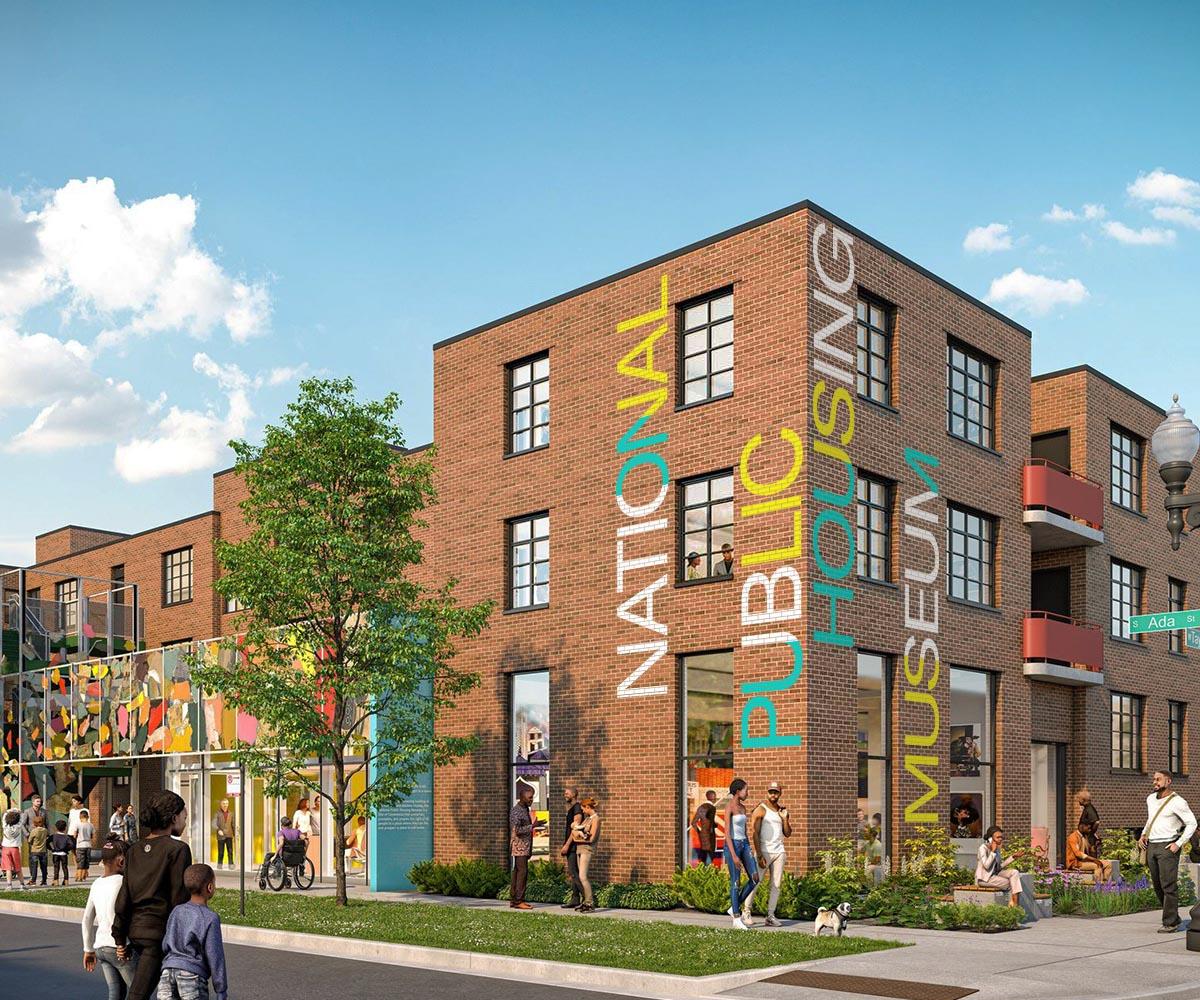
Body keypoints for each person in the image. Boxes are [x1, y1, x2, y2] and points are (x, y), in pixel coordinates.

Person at [114, 789, 193, 1000]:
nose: (185, 821)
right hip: (158, 934)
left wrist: (119, 937)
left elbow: (124, 897)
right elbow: (179, 899)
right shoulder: (178, 849)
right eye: (185, 816)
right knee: (137, 995)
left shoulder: (134, 850)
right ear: (173, 817)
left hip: (135, 931)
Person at [156, 863, 228, 1000]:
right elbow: (215, 956)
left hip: (167, 972)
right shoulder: (210, 918)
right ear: (210, 887)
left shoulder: (177, 911)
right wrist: (221, 989)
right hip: (191, 974)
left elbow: (165, 944)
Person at [1138, 769, 1197, 933]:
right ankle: (1173, 917)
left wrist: (1178, 844)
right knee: (1157, 885)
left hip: (1167, 847)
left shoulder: (1178, 801)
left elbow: (1192, 823)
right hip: (1152, 845)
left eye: (1158, 779)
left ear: (1168, 781)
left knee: (1168, 885)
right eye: (1154, 780)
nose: (1154, 782)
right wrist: (1143, 834)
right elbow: (1151, 819)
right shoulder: (1150, 799)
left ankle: (1171, 922)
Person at [83, 839, 133, 1000]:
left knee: (115, 993)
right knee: (138, 991)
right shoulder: (123, 883)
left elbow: (86, 919)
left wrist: (88, 949)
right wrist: (124, 942)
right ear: (122, 861)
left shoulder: (97, 883)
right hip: (120, 948)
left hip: (101, 948)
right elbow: (124, 916)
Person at [750, 781, 792, 927]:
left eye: (776, 792)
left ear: (780, 793)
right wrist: (759, 854)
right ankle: (746, 912)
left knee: (776, 884)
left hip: (779, 851)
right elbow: (755, 833)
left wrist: (785, 819)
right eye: (771, 792)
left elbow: (787, 833)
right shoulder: (760, 809)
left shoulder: (782, 810)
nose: (773, 794)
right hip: (764, 851)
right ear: (767, 793)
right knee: (755, 882)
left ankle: (770, 915)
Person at [724, 778, 759, 929]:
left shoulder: (743, 808)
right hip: (732, 845)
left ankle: (734, 907)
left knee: (755, 878)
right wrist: (734, 855)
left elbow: (744, 830)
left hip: (744, 844)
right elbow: (726, 833)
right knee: (736, 882)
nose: (748, 793)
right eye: (746, 790)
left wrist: (748, 848)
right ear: (738, 791)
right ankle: (736, 918)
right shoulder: (729, 807)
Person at [975, 825, 1022, 907]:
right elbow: (986, 866)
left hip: (995, 875)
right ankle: (1014, 905)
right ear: (990, 838)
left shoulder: (997, 849)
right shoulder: (983, 848)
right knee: (1011, 883)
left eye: (1001, 837)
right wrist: (992, 851)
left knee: (1014, 872)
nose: (1000, 839)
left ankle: (1014, 904)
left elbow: (999, 867)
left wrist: (1012, 857)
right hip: (985, 879)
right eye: (998, 837)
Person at [508, 784, 534, 910]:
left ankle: (515, 900)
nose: (531, 800)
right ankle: (518, 900)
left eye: (532, 797)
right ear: (522, 797)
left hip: (525, 846)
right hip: (519, 847)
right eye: (529, 798)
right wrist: (533, 826)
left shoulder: (525, 809)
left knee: (518, 872)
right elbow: (516, 830)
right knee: (522, 872)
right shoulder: (516, 810)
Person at [573, 796, 601, 913]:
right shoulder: (587, 819)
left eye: (583, 809)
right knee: (581, 876)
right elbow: (576, 831)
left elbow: (592, 838)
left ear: (588, 807)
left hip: (587, 849)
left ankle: (590, 903)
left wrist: (578, 837)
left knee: (583, 877)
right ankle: (585, 902)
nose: (583, 811)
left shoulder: (595, 819)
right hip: (580, 849)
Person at [559, 786, 584, 908]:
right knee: (573, 872)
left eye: (567, 793)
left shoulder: (577, 808)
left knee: (574, 873)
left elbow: (575, 828)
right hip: (571, 845)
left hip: (573, 846)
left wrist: (567, 845)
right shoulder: (573, 808)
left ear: (574, 794)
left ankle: (587, 899)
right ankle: (575, 899)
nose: (565, 794)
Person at [21, 794, 45, 880]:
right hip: (31, 837)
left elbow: (47, 823)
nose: (39, 803)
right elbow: (22, 824)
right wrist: (27, 834)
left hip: (42, 837)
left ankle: (44, 875)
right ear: (32, 802)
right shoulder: (27, 811)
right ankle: (32, 874)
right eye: (37, 801)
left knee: (43, 856)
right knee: (32, 856)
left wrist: (48, 834)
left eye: (40, 801)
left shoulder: (43, 811)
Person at [2, 808, 27, 890]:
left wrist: (9, 811)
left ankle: (9, 885)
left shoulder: (5, 826)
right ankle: (22, 885)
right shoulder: (19, 826)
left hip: (5, 848)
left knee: (8, 868)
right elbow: (22, 818)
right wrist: (18, 811)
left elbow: (4, 816)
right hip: (15, 848)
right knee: (18, 867)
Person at [691, 790, 718, 865]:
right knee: (710, 855)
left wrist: (699, 832)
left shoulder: (701, 807)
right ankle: (709, 873)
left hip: (703, 834)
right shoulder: (712, 808)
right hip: (710, 834)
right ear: (713, 797)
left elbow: (693, 823)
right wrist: (716, 825)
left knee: (704, 855)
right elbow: (711, 823)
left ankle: (702, 872)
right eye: (715, 796)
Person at [72, 807, 96, 883]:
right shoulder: (91, 825)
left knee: (80, 862)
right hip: (88, 845)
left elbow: (74, 835)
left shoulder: (77, 825)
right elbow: (92, 836)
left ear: (80, 817)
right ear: (88, 817)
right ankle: (84, 875)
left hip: (80, 845)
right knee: (86, 861)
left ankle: (79, 876)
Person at [212, 799, 235, 871]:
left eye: (226, 803)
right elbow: (213, 824)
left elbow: (233, 824)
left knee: (230, 851)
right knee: (221, 852)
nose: (225, 805)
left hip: (229, 835)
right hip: (221, 836)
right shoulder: (217, 813)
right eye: (223, 804)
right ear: (221, 805)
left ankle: (231, 864)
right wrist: (218, 830)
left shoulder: (231, 813)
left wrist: (235, 834)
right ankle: (219, 865)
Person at [51, 818, 75, 885]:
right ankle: (66, 880)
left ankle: (56, 880)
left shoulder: (53, 836)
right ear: (65, 828)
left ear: (56, 827)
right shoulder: (66, 837)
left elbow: (47, 842)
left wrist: (51, 848)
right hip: (63, 854)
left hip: (55, 853)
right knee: (65, 867)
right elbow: (72, 845)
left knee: (56, 867)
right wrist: (66, 849)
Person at [28, 814, 49, 886]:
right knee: (44, 867)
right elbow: (47, 837)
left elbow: (29, 840)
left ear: (34, 823)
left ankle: (33, 880)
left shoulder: (33, 831)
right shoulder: (45, 830)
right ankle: (44, 880)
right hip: (43, 851)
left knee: (34, 867)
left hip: (34, 851)